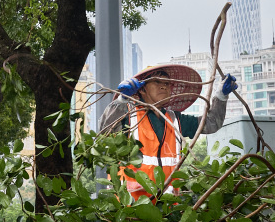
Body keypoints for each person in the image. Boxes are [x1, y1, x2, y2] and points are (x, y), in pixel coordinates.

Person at [97, 63, 237, 203]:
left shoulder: (176, 119)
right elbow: (105, 130)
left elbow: (212, 124)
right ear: (142, 90)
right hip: (132, 207)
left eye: (167, 83)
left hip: (168, 207)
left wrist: (221, 96)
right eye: (157, 82)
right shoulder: (128, 115)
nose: (164, 86)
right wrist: (122, 100)